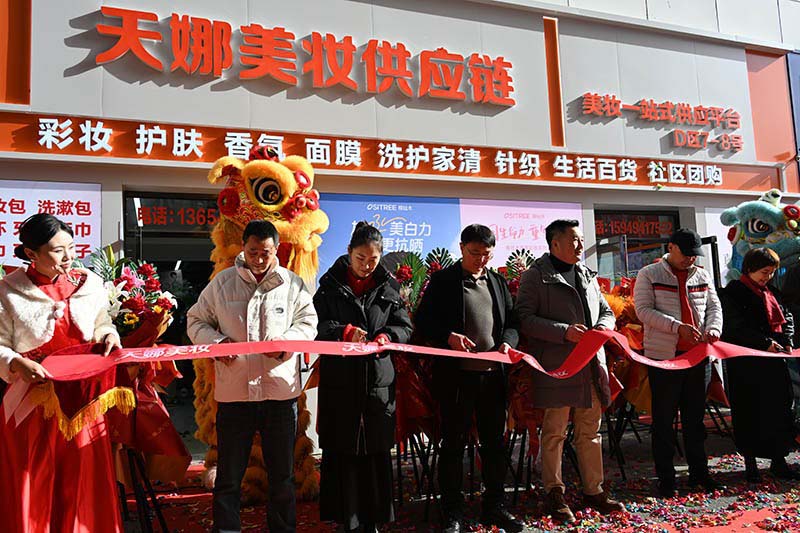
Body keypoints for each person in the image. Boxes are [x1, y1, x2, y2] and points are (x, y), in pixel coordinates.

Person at [187, 219, 318, 533]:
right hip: (235, 395)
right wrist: (217, 343)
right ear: (243, 248)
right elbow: (195, 321)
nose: (259, 259)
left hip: (280, 394)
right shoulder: (222, 283)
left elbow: (308, 323)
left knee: (282, 476)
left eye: (266, 253)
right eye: (253, 252)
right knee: (229, 476)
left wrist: (287, 343)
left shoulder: (292, 284)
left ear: (277, 250)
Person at [0, 213, 123, 532]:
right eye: (57, 251)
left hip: (83, 400)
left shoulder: (88, 284)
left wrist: (109, 335)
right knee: (35, 477)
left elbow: (102, 323)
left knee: (83, 476)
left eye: (71, 247)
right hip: (32, 404)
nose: (68, 256)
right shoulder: (8, 290)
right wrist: (15, 362)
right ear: (31, 253)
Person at [414, 224, 524, 533]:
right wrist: (448, 336)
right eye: (475, 253)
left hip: (492, 378)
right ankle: (452, 511)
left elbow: (513, 322)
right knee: (452, 446)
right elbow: (423, 321)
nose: (481, 260)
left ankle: (494, 507)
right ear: (462, 248)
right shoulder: (443, 281)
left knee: (494, 446)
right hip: (456, 378)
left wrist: (508, 343)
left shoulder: (497, 282)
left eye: (486, 254)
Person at [515, 219, 624, 524]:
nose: (580, 245)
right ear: (555, 243)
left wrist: (602, 327)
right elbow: (524, 319)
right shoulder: (536, 276)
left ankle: (594, 490)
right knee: (554, 433)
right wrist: (564, 332)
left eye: (581, 239)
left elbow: (606, 310)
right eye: (574, 240)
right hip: (558, 368)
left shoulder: (586, 274)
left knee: (590, 431)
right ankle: (554, 492)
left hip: (590, 365)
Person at [314, 221, 413, 532]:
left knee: (374, 453)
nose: (367, 265)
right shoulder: (329, 286)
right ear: (349, 252)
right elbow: (315, 326)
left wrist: (388, 336)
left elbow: (405, 327)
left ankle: (373, 520)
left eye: (373, 259)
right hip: (340, 382)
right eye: (360, 258)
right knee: (342, 451)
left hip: (377, 383)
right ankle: (346, 519)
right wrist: (342, 332)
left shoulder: (389, 287)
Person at [633, 227, 723, 497]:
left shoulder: (702, 274)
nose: (690, 260)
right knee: (663, 421)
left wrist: (714, 328)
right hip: (665, 359)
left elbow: (714, 307)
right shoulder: (649, 273)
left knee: (695, 420)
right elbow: (643, 311)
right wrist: (676, 327)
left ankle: (699, 473)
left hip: (698, 358)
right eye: (686, 254)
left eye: (694, 255)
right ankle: (666, 478)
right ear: (670, 248)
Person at [720, 247, 799, 482]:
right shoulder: (733, 293)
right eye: (764, 272)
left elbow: (787, 318)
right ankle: (750, 462)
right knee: (750, 412)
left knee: (779, 411)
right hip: (747, 365)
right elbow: (734, 327)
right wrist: (764, 343)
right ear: (750, 269)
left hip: (774, 363)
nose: (768, 277)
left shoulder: (772, 292)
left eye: (771, 272)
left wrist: (787, 340)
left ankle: (778, 460)